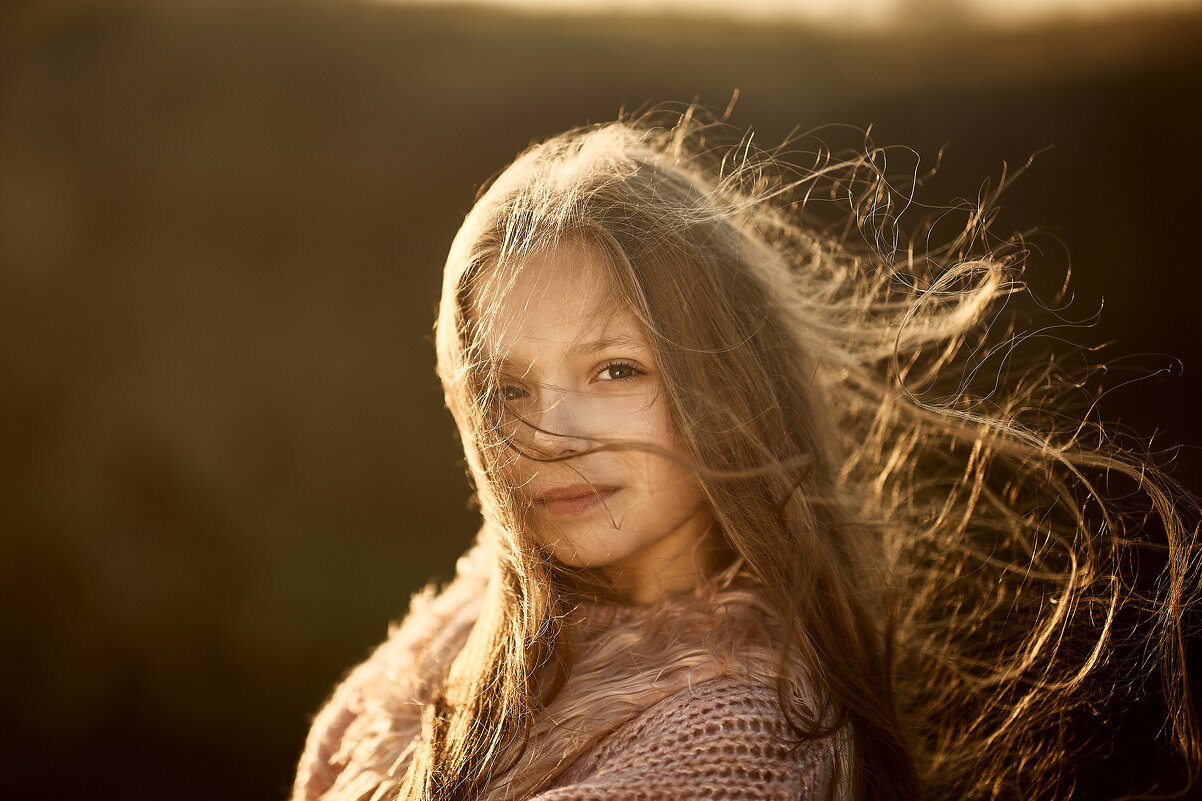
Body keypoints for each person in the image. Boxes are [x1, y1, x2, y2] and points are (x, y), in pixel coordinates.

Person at [290, 109, 1200, 801]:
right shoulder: (488, 603)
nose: (549, 436)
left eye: (615, 368)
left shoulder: (740, 736)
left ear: (724, 381)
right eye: (508, 386)